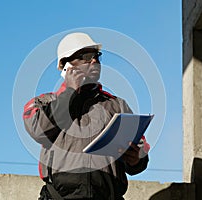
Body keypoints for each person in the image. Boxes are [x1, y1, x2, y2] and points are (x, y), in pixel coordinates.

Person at [23, 32, 150, 200]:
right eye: (87, 56)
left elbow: (140, 150)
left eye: (97, 56)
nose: (95, 61)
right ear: (67, 65)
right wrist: (70, 93)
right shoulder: (43, 102)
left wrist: (137, 159)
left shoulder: (117, 105)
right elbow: (38, 130)